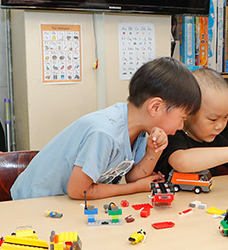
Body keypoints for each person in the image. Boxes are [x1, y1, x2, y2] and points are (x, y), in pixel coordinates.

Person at [11, 57, 201, 200]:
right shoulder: (105, 133)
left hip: (64, 203)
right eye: (182, 118)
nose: (181, 126)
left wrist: (154, 151)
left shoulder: (142, 129)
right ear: (155, 107)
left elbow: (134, 176)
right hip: (34, 202)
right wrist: (135, 189)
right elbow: (79, 191)